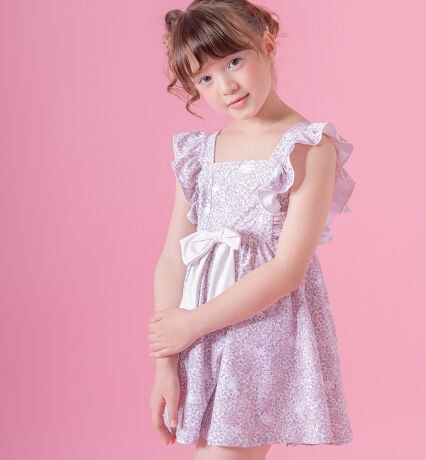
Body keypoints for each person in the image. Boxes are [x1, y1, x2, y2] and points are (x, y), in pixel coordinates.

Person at [147, 1, 355, 458]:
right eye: (204, 78)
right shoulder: (200, 153)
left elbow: (287, 269)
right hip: (198, 334)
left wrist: (191, 325)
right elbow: (173, 256)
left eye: (234, 61)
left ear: (267, 44)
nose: (225, 86)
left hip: (259, 330)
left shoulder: (307, 146)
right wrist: (166, 361)